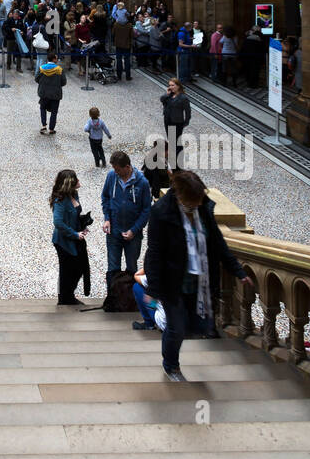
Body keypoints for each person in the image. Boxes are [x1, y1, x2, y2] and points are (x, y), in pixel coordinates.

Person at [144, 169, 254, 381]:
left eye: (198, 200)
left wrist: (238, 271)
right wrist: (153, 289)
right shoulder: (161, 212)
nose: (195, 204)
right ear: (180, 195)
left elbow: (217, 242)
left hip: (197, 280)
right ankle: (171, 365)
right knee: (176, 327)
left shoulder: (203, 208)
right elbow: (155, 251)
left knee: (188, 325)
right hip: (172, 281)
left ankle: (174, 355)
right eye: (192, 201)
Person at [101, 150, 152, 283]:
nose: (115, 172)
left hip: (133, 235)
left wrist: (134, 230)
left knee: (132, 268)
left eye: (118, 169)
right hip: (114, 232)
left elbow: (146, 210)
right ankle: (112, 300)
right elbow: (105, 197)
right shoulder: (111, 176)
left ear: (127, 167)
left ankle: (130, 300)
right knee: (112, 269)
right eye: (114, 168)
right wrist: (107, 218)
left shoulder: (143, 183)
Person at [51, 170, 89, 306]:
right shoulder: (60, 200)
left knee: (78, 268)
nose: (79, 181)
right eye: (76, 179)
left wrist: (82, 225)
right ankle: (65, 298)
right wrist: (74, 234)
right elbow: (58, 222)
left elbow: (74, 215)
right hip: (63, 241)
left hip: (75, 237)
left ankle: (68, 295)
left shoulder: (74, 194)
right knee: (67, 270)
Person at [161, 77, 192, 170]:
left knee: (177, 142)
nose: (171, 87)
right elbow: (162, 99)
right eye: (169, 85)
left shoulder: (183, 98)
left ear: (178, 86)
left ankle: (179, 162)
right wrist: (167, 93)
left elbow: (188, 111)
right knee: (172, 141)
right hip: (167, 120)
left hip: (177, 122)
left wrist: (186, 122)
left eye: (173, 85)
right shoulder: (169, 95)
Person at [36, 53, 66, 135]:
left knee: (43, 108)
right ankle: (51, 129)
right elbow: (64, 82)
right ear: (53, 59)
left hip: (44, 93)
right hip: (55, 94)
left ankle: (43, 126)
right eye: (56, 58)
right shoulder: (59, 69)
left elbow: (36, 78)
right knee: (54, 112)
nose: (57, 59)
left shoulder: (41, 68)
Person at [113, 10, 133, 80]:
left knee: (119, 59)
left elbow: (113, 34)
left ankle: (119, 76)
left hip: (118, 44)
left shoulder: (116, 24)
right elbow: (132, 35)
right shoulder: (129, 25)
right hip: (127, 45)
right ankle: (128, 76)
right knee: (127, 60)